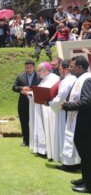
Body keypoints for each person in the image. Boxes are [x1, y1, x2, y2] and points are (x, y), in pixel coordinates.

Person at [61, 56, 91, 193]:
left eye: (72, 66)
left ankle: (89, 185)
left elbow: (87, 102)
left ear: (80, 67)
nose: (69, 68)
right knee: (85, 155)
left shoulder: (87, 79)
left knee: (87, 155)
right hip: (80, 123)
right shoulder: (81, 79)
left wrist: (69, 106)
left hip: (85, 125)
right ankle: (85, 179)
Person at [47, 60, 77, 165]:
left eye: (60, 68)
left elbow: (61, 97)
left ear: (65, 69)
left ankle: (68, 162)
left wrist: (49, 103)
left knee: (66, 136)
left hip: (65, 111)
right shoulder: (73, 79)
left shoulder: (67, 80)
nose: (59, 71)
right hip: (72, 111)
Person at [29, 62, 60, 158]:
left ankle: (46, 149)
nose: (38, 72)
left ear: (45, 70)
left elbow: (46, 92)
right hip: (40, 107)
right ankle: (41, 148)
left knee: (46, 127)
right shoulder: (44, 79)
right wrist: (30, 93)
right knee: (40, 126)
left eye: (39, 70)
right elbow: (39, 90)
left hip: (47, 108)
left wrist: (33, 93)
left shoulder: (53, 78)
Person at [12, 60, 40, 146]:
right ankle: (26, 140)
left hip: (36, 103)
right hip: (23, 104)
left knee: (36, 122)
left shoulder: (39, 76)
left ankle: (36, 140)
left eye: (30, 67)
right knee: (24, 122)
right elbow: (14, 87)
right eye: (26, 67)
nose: (28, 69)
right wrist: (21, 89)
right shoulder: (20, 76)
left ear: (34, 67)